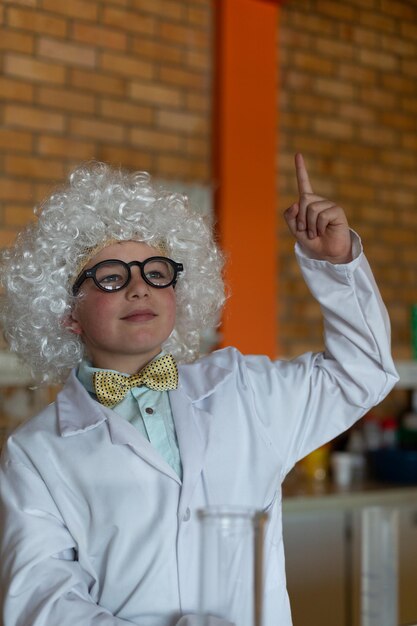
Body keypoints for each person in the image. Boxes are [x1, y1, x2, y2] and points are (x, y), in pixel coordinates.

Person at [0, 154, 398, 626]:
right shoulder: (35, 453)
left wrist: (335, 265)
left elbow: (365, 372)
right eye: (110, 277)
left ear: (177, 291)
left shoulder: (243, 390)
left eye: (156, 271)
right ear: (66, 312)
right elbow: (39, 603)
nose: (139, 289)